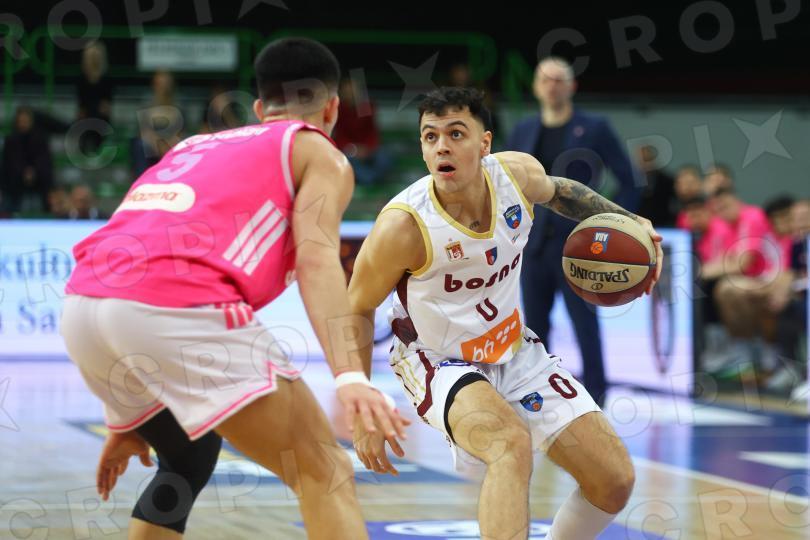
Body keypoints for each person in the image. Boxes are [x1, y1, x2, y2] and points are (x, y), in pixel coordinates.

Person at [61, 37, 408, 540]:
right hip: (175, 307)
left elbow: (134, 234)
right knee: (325, 470)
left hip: (83, 308)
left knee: (188, 453)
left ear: (260, 109)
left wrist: (125, 418)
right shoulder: (318, 152)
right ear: (332, 108)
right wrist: (350, 375)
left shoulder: (192, 146)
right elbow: (316, 261)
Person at [349, 87, 662, 540]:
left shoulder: (516, 175)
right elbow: (356, 307)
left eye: (456, 134)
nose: (442, 146)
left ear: (485, 143)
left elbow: (564, 193)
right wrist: (361, 404)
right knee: (509, 445)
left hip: (512, 347)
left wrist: (629, 222)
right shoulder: (403, 226)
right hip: (437, 359)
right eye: (430, 136)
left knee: (613, 481)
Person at [505, 57, 641, 406]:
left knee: (585, 323)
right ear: (536, 87)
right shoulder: (523, 130)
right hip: (533, 243)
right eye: (545, 79)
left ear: (572, 86)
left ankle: (596, 396)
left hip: (580, 243)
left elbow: (630, 181)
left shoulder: (594, 127)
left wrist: (611, 225)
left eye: (559, 79)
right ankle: (537, 395)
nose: (552, 86)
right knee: (534, 328)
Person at [332, 77, 390, 186]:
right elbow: (339, 135)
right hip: (348, 150)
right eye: (348, 92)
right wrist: (353, 149)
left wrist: (367, 148)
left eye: (353, 91)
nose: (351, 94)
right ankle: (368, 180)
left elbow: (372, 132)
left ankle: (374, 179)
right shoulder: (338, 110)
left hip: (367, 148)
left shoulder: (368, 107)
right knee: (345, 160)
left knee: (383, 156)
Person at [0, 106, 54, 214]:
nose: (23, 124)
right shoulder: (11, 140)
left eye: (26, 121)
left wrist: (33, 171)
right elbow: (9, 163)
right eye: (21, 121)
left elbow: (44, 160)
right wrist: (23, 172)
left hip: (38, 183)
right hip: (14, 186)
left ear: (31, 121)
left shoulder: (40, 139)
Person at [76, 40, 113, 153]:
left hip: (101, 114)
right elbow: (81, 103)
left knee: (97, 114)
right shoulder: (81, 79)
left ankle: (95, 144)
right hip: (87, 113)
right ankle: (86, 144)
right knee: (88, 116)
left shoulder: (106, 78)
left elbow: (107, 103)